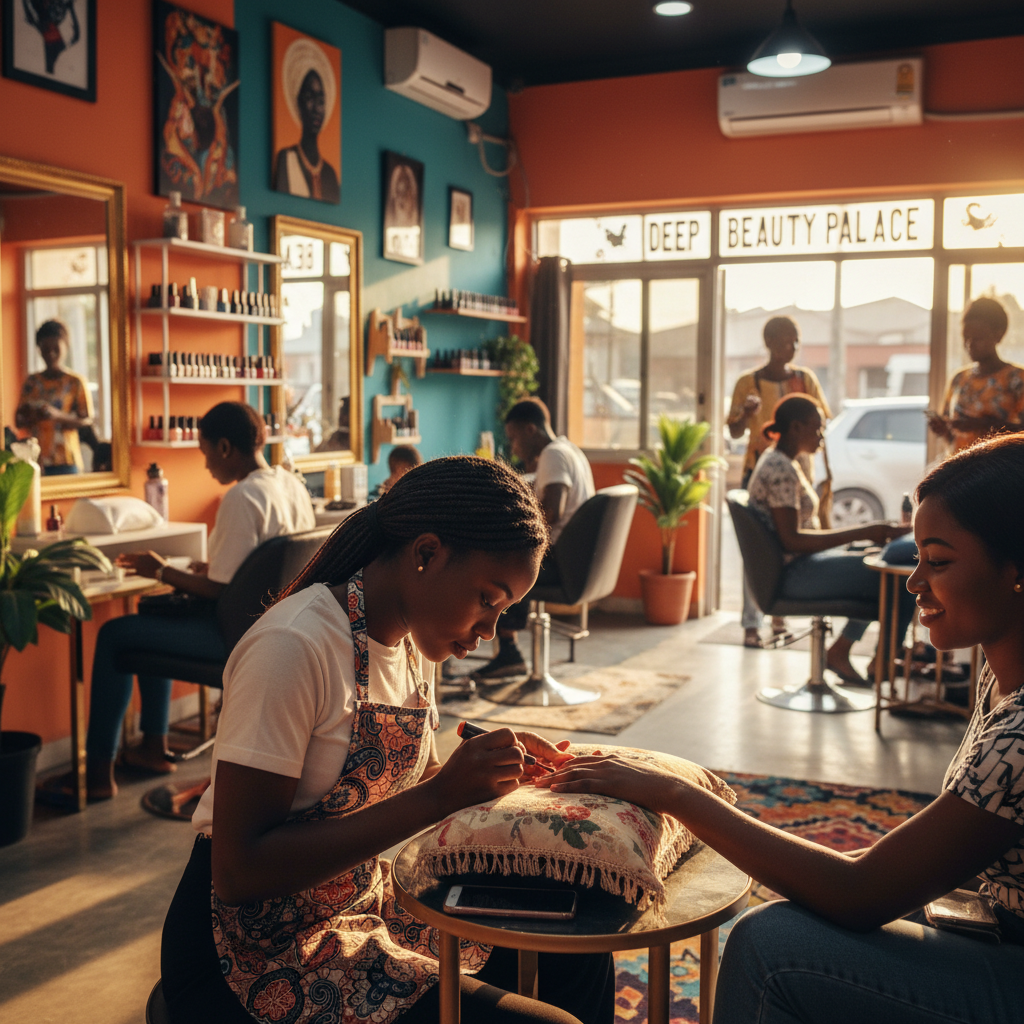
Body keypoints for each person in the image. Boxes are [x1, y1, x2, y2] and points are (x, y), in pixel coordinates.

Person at [539, 432, 1024, 1024]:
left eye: (939, 561)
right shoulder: (998, 680)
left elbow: (860, 892)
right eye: (917, 557)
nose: (914, 581)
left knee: (770, 946)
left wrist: (667, 791)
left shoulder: (1019, 735)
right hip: (994, 922)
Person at [160, 456, 614, 1024]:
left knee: (580, 952)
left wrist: (484, 769)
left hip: (358, 906)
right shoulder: (293, 647)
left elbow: (394, 775)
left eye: (505, 610)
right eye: (488, 600)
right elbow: (239, 872)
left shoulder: (408, 642)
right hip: (251, 950)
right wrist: (441, 795)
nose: (491, 630)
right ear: (426, 554)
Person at [45, 402, 315, 802]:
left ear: (224, 448)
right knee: (148, 617)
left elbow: (219, 591)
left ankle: (97, 772)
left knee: (114, 634)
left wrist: (159, 570)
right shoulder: (289, 484)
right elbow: (260, 564)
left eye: (206, 454)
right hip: (274, 629)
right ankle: (152, 748)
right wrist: (211, 567)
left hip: (234, 638)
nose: (206, 466)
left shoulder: (242, 497)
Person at [746, 394, 913, 685]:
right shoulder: (780, 470)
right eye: (817, 427)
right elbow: (792, 541)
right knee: (897, 579)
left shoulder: (783, 462)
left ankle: (846, 651)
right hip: (794, 574)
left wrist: (866, 539)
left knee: (880, 560)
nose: (821, 435)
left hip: (802, 566)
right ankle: (880, 661)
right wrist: (865, 530)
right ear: (796, 427)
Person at [727, 315, 831, 647]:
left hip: (799, 475)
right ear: (769, 343)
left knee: (790, 546)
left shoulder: (806, 379)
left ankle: (780, 619)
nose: (792, 347)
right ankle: (751, 623)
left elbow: (821, 421)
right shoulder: (749, 382)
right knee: (759, 549)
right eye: (786, 340)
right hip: (761, 472)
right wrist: (745, 413)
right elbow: (733, 430)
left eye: (795, 340)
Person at [473, 398, 595, 681]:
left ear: (530, 430)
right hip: (577, 559)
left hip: (558, 562)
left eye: (514, 438)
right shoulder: (568, 450)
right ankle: (508, 651)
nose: (513, 447)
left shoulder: (553, 455)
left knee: (495, 565)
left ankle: (509, 652)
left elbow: (551, 511)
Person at [928, 297, 1023, 452]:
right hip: (960, 469)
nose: (970, 344)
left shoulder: (1017, 379)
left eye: (978, 338)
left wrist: (983, 425)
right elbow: (952, 437)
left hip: (999, 471)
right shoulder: (959, 379)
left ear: (998, 335)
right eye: (966, 338)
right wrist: (943, 429)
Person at [16, 319, 94, 476]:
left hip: (66, 458)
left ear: (66, 347)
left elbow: (86, 419)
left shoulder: (75, 382)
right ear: (39, 350)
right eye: (45, 350)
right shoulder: (32, 382)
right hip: (37, 459)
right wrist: (34, 415)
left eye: (56, 349)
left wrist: (57, 416)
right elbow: (18, 420)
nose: (50, 354)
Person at [273, 38, 340, 203]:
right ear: (298, 102)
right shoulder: (285, 159)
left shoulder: (331, 174)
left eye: (321, 101)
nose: (317, 109)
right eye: (310, 98)